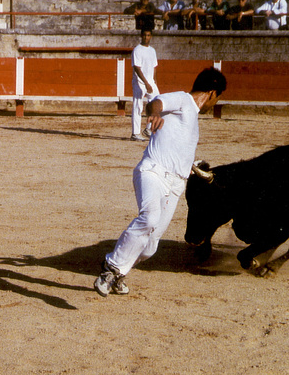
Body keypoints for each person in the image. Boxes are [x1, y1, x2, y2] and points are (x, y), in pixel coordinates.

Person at [94, 67, 227, 297]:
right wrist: (154, 114)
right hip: (153, 172)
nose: (213, 105)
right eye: (217, 99)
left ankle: (119, 274)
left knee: (151, 245)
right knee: (149, 218)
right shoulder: (184, 100)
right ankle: (110, 269)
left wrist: (195, 168)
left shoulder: (192, 120)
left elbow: (178, 148)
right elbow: (157, 102)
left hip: (175, 185)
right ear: (213, 93)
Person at [130, 29, 159, 142]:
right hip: (139, 82)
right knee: (138, 106)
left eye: (148, 35)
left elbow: (154, 66)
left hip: (150, 81)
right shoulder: (137, 50)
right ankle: (135, 133)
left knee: (156, 102)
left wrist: (154, 80)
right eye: (144, 35)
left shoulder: (152, 50)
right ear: (141, 36)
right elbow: (137, 68)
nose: (146, 37)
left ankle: (148, 129)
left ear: (151, 36)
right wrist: (146, 83)